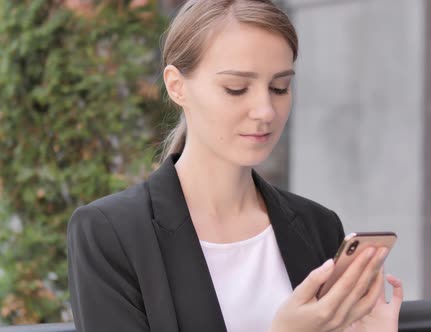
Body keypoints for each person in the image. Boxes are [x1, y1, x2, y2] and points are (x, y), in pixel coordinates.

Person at [66, 0, 403, 331]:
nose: (266, 111)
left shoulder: (318, 226)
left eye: (279, 87)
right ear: (176, 85)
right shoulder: (110, 233)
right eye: (236, 89)